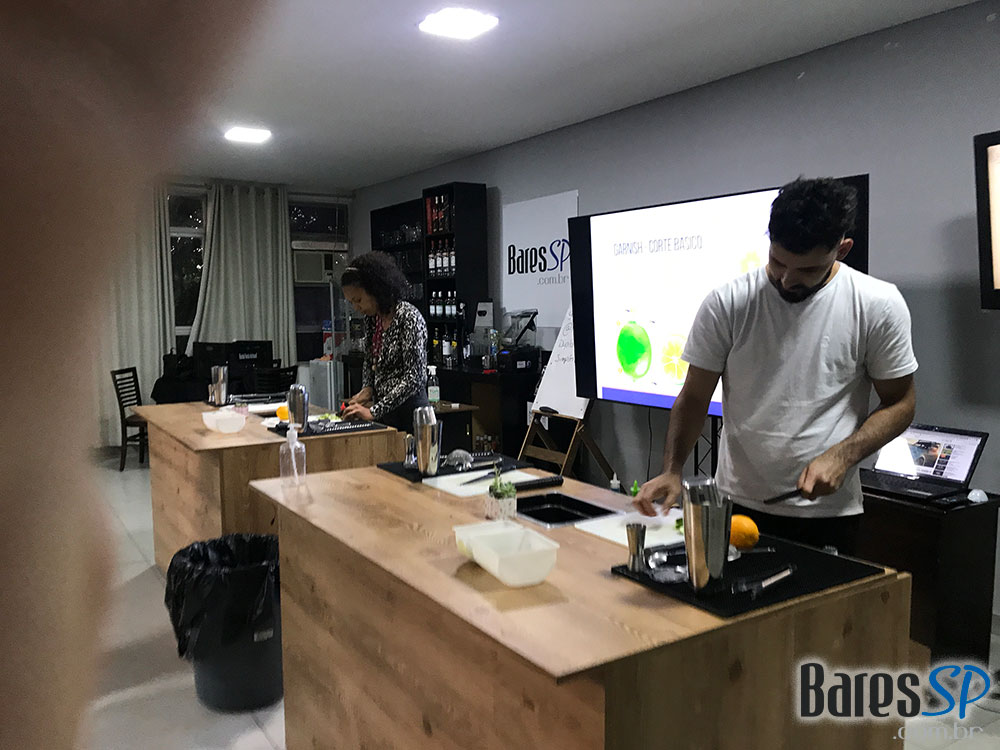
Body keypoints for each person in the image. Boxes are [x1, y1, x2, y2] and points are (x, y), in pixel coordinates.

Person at [634, 177, 918, 554]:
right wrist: (672, 470)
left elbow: (901, 402)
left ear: (843, 249)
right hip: (736, 504)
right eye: (778, 262)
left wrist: (844, 455)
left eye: (807, 270)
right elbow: (694, 398)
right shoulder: (728, 303)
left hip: (828, 514)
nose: (786, 279)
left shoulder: (877, 305)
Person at [341, 252, 429, 432]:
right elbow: (369, 359)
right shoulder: (373, 319)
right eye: (352, 302)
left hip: (412, 416)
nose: (356, 307)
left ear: (375, 289)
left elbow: (414, 378)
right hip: (386, 414)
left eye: (358, 300)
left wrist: (374, 411)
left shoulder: (408, 317)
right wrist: (367, 388)